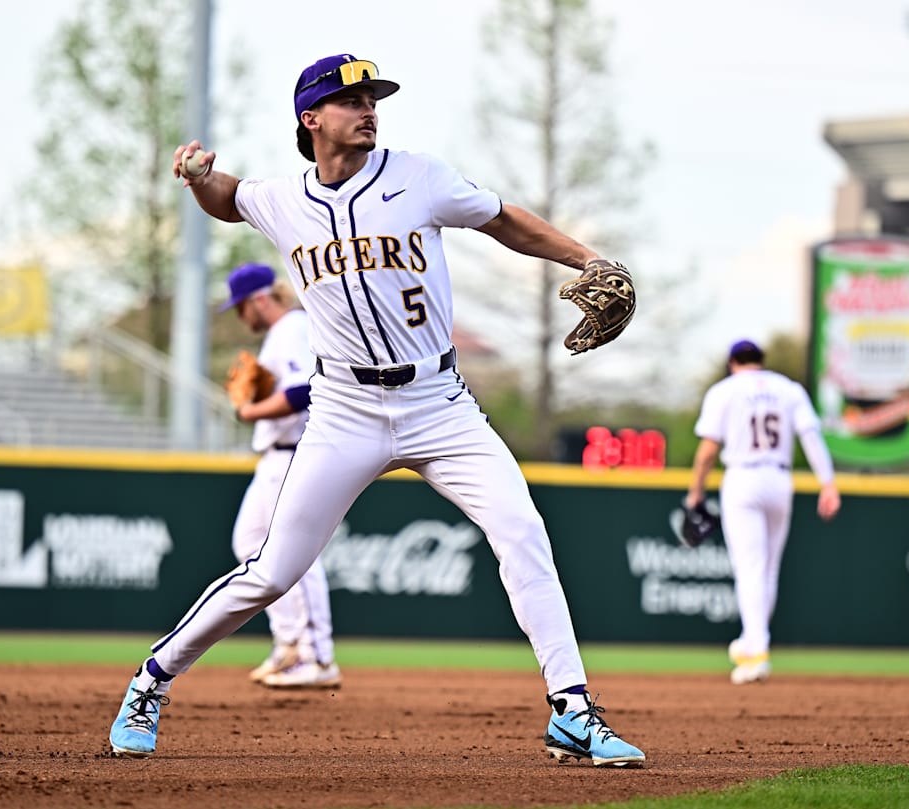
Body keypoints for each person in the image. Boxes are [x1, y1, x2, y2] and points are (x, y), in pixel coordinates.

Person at [108, 53, 645, 768]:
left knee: (522, 530)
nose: (368, 108)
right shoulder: (284, 199)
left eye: (372, 97)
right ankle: (150, 682)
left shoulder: (417, 175)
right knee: (271, 572)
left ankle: (571, 711)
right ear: (311, 119)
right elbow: (230, 197)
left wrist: (585, 258)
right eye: (350, 99)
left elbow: (502, 220)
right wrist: (202, 177)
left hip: (440, 402)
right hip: (345, 411)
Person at [685, 340, 841, 685]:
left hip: (742, 478)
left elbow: (708, 449)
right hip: (779, 479)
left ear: (732, 363)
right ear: (761, 361)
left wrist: (696, 491)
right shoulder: (788, 389)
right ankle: (751, 642)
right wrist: (827, 483)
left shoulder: (725, 391)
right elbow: (811, 436)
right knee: (767, 569)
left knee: (751, 568)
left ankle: (756, 650)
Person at [221, 262, 340, 689]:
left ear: (258, 299)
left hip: (294, 455)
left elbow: (301, 390)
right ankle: (290, 642)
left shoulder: (291, 327)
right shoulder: (283, 333)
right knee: (250, 542)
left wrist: (250, 410)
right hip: (276, 456)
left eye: (239, 307)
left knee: (295, 554)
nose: (240, 317)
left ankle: (317, 656)